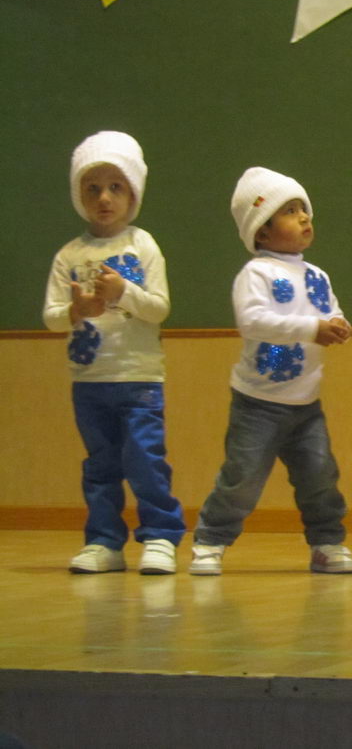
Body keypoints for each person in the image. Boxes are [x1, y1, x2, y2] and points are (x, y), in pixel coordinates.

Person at [189, 167, 352, 576]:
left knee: (319, 477)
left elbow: (329, 310)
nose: (304, 217)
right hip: (257, 405)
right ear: (261, 232)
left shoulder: (317, 275)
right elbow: (253, 322)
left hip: (306, 403)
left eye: (304, 209)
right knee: (242, 479)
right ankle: (210, 540)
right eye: (290, 211)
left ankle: (326, 542)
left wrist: (338, 324)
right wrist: (313, 329)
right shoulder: (255, 274)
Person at [43, 130, 185, 575]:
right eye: (92, 188)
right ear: (78, 195)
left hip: (140, 377)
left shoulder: (143, 246)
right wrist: (75, 310)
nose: (104, 197)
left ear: (132, 194)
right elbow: (50, 315)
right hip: (89, 381)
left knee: (144, 460)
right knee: (100, 466)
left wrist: (124, 291)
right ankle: (104, 541)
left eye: (115, 187)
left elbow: (159, 308)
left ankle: (160, 536)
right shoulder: (70, 254)